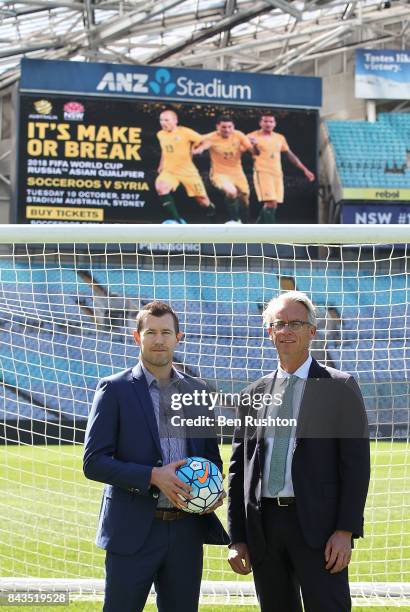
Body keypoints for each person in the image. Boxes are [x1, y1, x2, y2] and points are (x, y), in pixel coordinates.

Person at [227, 291, 370, 612]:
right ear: (269, 332)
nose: (286, 331)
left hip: (320, 529)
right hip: (264, 528)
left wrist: (345, 530)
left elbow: (357, 466)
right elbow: (239, 470)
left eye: (295, 323)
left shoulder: (340, 387)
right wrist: (237, 537)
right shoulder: (253, 394)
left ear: (312, 331)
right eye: (279, 324)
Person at [84, 301, 228, 612]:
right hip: (133, 529)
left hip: (186, 532)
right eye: (151, 332)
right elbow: (93, 461)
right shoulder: (114, 389)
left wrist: (212, 489)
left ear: (179, 337)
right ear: (137, 337)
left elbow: (211, 458)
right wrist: (152, 476)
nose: (159, 340)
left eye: (166, 332)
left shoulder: (198, 392)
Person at [247, 115, 315, 223]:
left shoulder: (280, 137)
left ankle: (255, 231)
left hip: (277, 173)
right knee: (271, 202)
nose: (268, 124)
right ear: (260, 123)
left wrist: (305, 170)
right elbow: (254, 153)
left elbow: (290, 155)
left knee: (273, 205)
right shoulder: (251, 136)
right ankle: (273, 235)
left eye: (271, 121)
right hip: (262, 172)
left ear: (275, 124)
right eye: (265, 121)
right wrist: (254, 145)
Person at [155, 109, 215, 223]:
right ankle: (177, 221)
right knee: (161, 187)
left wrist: (199, 149)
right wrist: (161, 165)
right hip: (169, 171)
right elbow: (165, 150)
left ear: (175, 121)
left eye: (166, 120)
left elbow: (208, 141)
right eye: (161, 120)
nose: (163, 122)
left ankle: (211, 209)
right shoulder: (160, 134)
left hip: (187, 172)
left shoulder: (185, 132)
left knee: (202, 200)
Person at [193, 116, 253, 223]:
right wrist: (197, 149)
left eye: (230, 127)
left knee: (245, 200)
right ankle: (235, 220)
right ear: (217, 127)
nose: (227, 130)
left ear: (233, 127)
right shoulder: (210, 137)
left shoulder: (239, 135)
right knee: (231, 192)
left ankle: (246, 224)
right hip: (219, 173)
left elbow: (251, 149)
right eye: (224, 127)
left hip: (238, 172)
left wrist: (255, 146)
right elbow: (196, 142)